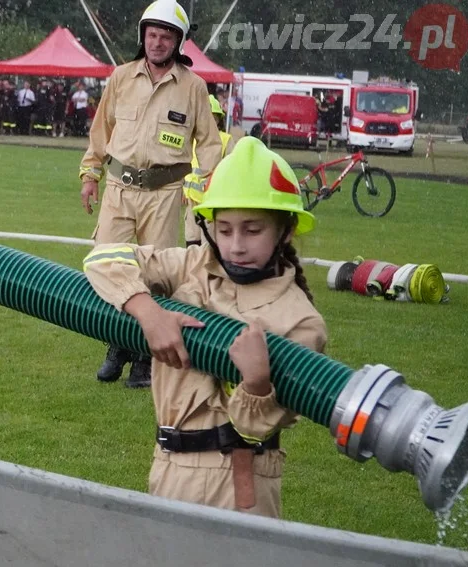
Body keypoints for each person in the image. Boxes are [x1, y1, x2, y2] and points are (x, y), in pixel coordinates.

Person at [82, 137, 326, 518]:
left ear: (286, 230)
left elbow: (256, 426)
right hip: (167, 466)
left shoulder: (299, 321)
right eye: (225, 229)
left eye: (252, 230)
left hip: (240, 484)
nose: (236, 246)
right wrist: (149, 312)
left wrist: (257, 384)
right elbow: (103, 257)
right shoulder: (194, 264)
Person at [79, 0, 221, 389]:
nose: (158, 42)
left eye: (167, 36)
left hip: (165, 193)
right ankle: (116, 346)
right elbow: (100, 132)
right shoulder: (121, 77)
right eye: (152, 34)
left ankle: (144, 359)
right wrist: (90, 174)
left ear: (179, 42)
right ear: (143, 37)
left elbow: (209, 144)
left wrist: (210, 189)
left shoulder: (193, 87)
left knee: (155, 276)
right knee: (107, 265)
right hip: (118, 190)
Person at [183, 95, 236, 246]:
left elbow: (232, 170)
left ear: (218, 119)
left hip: (212, 203)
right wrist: (183, 189)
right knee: (192, 244)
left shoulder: (225, 139)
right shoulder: (192, 139)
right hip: (192, 202)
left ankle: (208, 270)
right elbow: (187, 167)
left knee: (209, 248)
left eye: (212, 117)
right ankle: (193, 270)